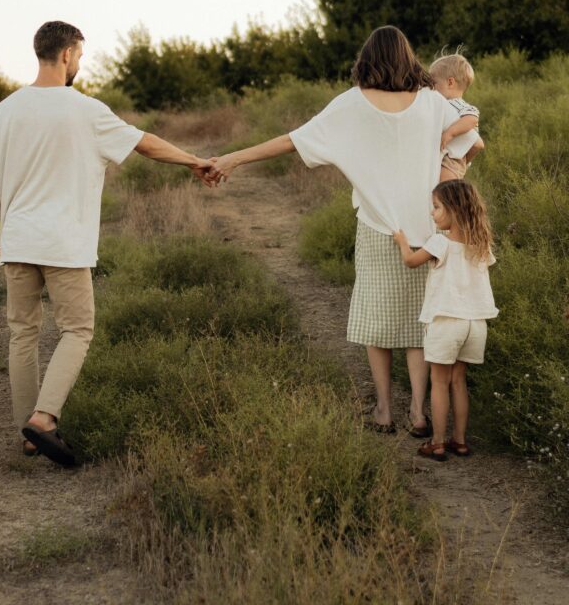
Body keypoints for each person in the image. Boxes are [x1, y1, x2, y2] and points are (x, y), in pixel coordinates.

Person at [0, 20, 214, 465]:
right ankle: (44, 418)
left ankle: (29, 436)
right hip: (63, 243)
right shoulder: (85, 110)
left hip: (18, 242)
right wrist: (193, 162)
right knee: (78, 329)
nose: (79, 64)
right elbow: (145, 144)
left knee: (22, 335)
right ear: (68, 54)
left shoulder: (6, 110)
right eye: (81, 56)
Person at [208, 25, 460, 436]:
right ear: (408, 58)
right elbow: (467, 131)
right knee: (418, 325)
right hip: (428, 229)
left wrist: (233, 159)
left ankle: (383, 409)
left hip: (380, 227)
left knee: (378, 324)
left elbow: (292, 141)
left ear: (367, 60)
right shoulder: (433, 103)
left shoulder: (351, 105)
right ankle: (418, 411)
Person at [393, 180, 497, 461]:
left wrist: (403, 243)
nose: (432, 213)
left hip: (447, 321)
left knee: (439, 383)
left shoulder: (440, 242)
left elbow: (412, 261)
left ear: (453, 209)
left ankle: (437, 443)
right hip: (475, 323)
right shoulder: (480, 244)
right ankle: (459, 441)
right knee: (458, 382)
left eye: (437, 207)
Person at [429, 52, 484, 181]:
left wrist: (450, 133)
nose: (431, 88)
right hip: (447, 154)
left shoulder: (457, 104)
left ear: (450, 82)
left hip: (453, 159)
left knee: (444, 189)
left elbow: (472, 118)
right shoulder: (442, 103)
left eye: (434, 83)